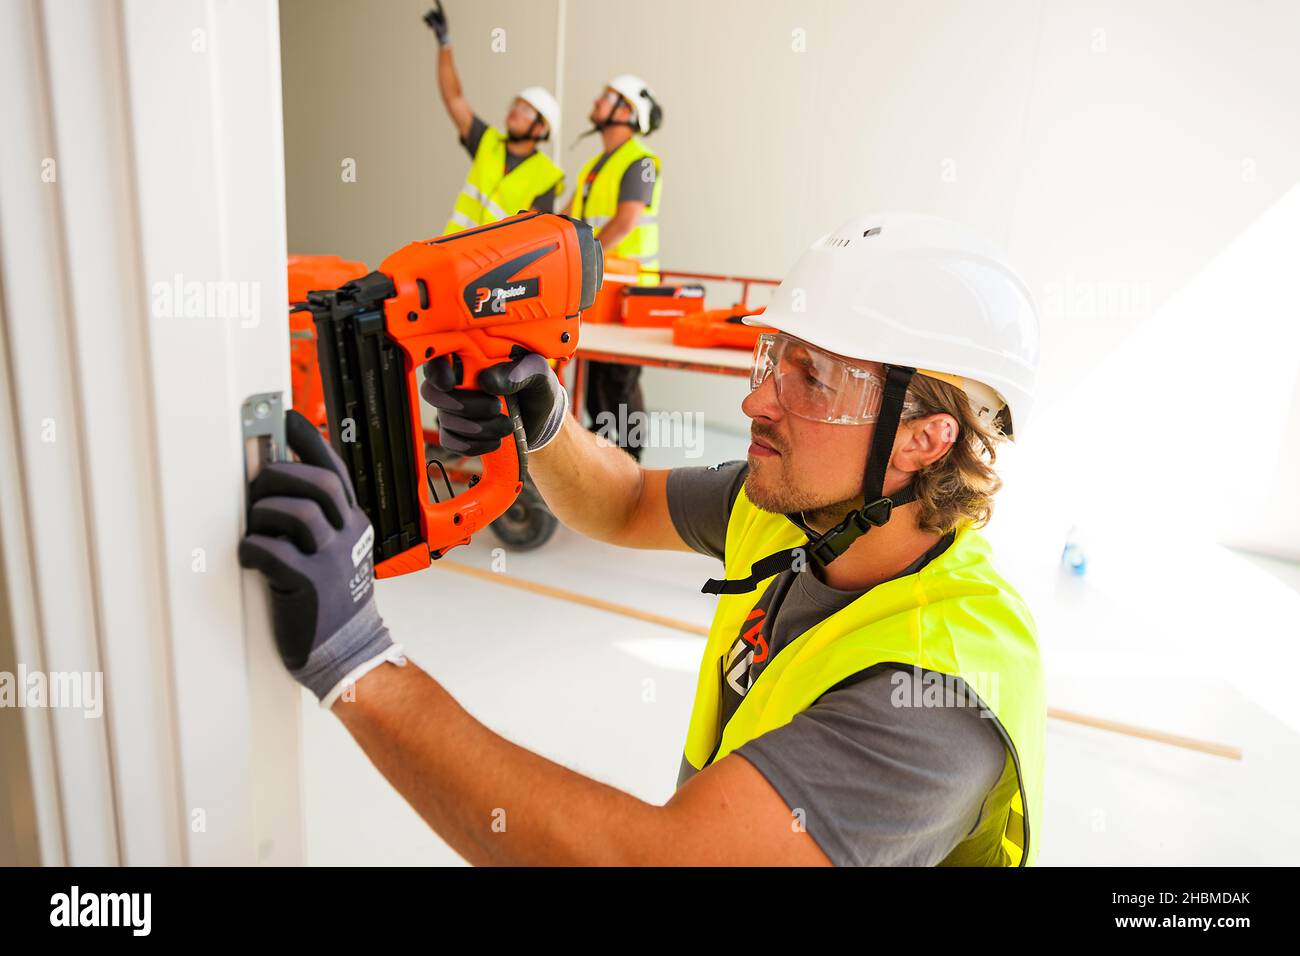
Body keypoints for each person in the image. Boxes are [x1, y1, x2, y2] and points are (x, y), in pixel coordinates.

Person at [240, 212, 1045, 866]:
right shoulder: (797, 511)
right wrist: (542, 415)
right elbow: (622, 502)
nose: (757, 400)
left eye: (815, 379)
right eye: (773, 359)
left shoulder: (938, 697)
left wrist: (360, 664)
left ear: (924, 439)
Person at [565, 74, 663, 460]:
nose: (598, 100)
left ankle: (629, 464)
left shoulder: (640, 162)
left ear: (628, 112)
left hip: (629, 292)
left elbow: (625, 222)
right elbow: (568, 215)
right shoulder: (593, 166)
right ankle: (607, 467)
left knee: (619, 384)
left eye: (608, 97)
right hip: (600, 289)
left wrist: (581, 258)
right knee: (597, 384)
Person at [424, 3, 564, 234]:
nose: (516, 111)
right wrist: (445, 44)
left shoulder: (546, 177)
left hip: (496, 268)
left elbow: (533, 235)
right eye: (516, 104)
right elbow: (454, 99)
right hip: (452, 252)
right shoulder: (488, 143)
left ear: (540, 129)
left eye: (526, 110)